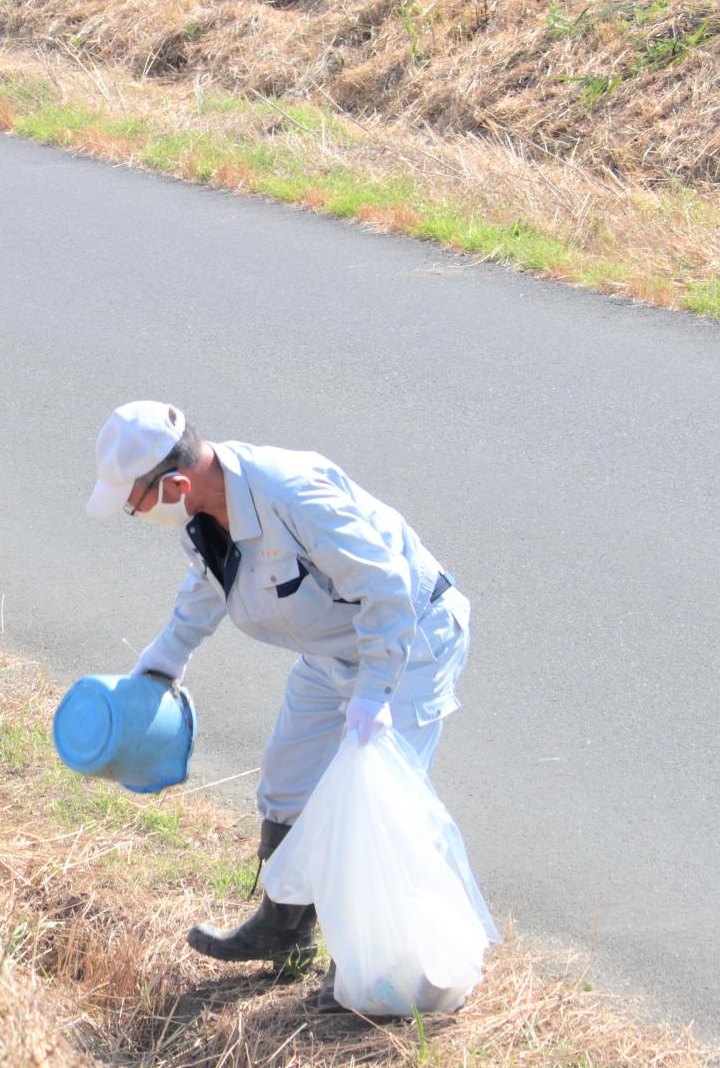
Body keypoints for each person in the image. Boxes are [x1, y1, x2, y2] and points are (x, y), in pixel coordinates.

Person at [88, 401, 472, 1005]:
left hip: (409, 637)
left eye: (137, 504)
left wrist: (374, 694)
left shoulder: (292, 495)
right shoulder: (205, 512)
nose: (139, 515)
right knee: (288, 777)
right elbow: (207, 590)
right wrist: (160, 665)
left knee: (378, 800)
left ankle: (381, 968)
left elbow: (387, 589)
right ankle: (284, 927)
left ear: (176, 484)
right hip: (331, 646)